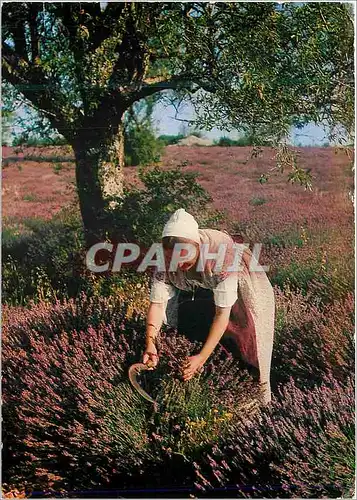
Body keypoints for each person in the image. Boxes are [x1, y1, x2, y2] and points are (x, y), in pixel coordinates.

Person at [142, 208, 275, 404]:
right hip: (199, 282)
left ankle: (251, 400)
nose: (178, 265)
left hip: (237, 278)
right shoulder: (165, 259)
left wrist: (201, 358)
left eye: (184, 260)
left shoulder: (221, 256)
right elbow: (157, 305)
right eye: (173, 260)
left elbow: (222, 314)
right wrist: (150, 343)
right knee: (191, 325)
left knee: (242, 334)